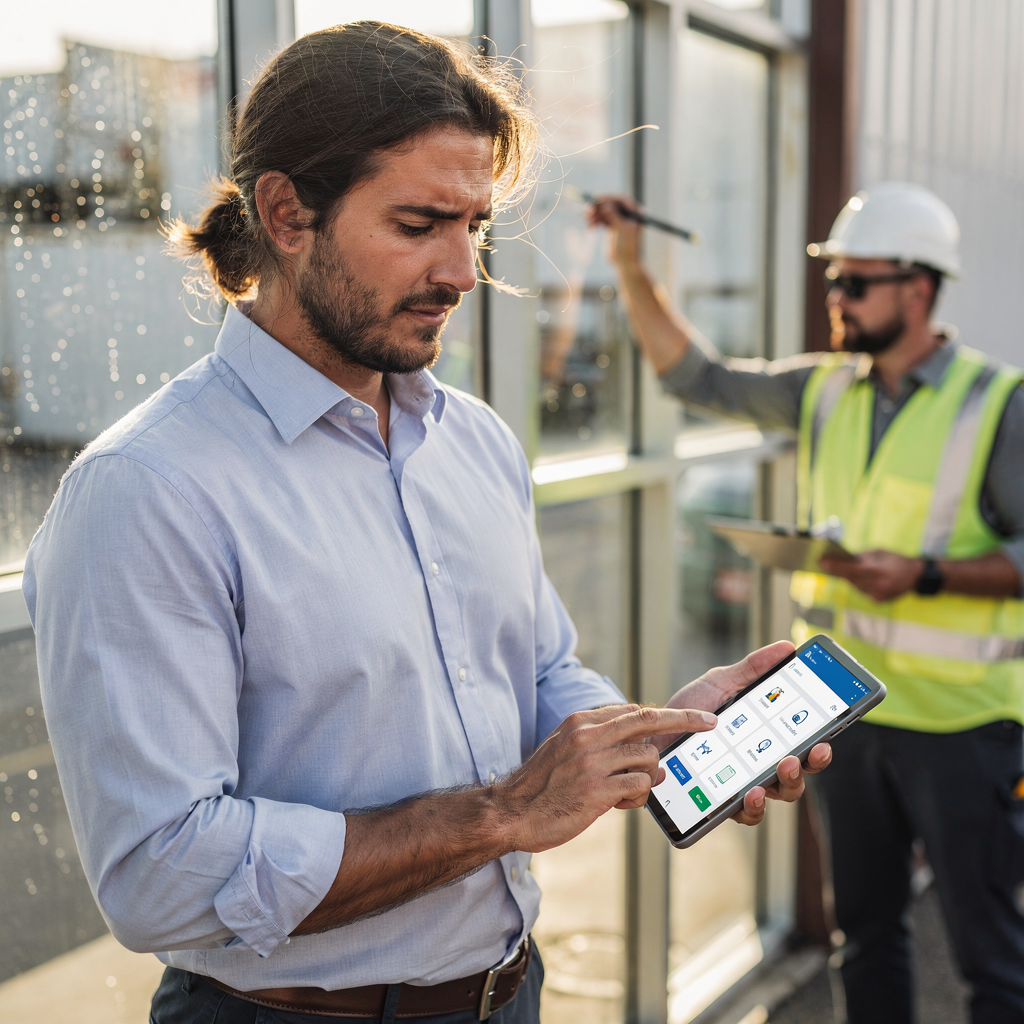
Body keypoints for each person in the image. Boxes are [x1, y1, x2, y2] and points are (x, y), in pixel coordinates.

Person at [22, 23, 829, 1024]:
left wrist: (652, 736)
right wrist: (500, 815)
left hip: (506, 993)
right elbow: (160, 873)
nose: (461, 270)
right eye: (418, 223)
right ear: (285, 212)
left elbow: (535, 672)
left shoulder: (474, 442)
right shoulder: (150, 489)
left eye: (474, 226)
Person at [591, 182, 1024, 1024]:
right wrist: (629, 264)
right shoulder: (822, 391)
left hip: (965, 726)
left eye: (856, 283)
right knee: (862, 936)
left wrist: (924, 575)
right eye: (835, 281)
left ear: (920, 288)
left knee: (992, 956)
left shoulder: (1000, 406)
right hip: (835, 717)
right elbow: (695, 376)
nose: (837, 298)